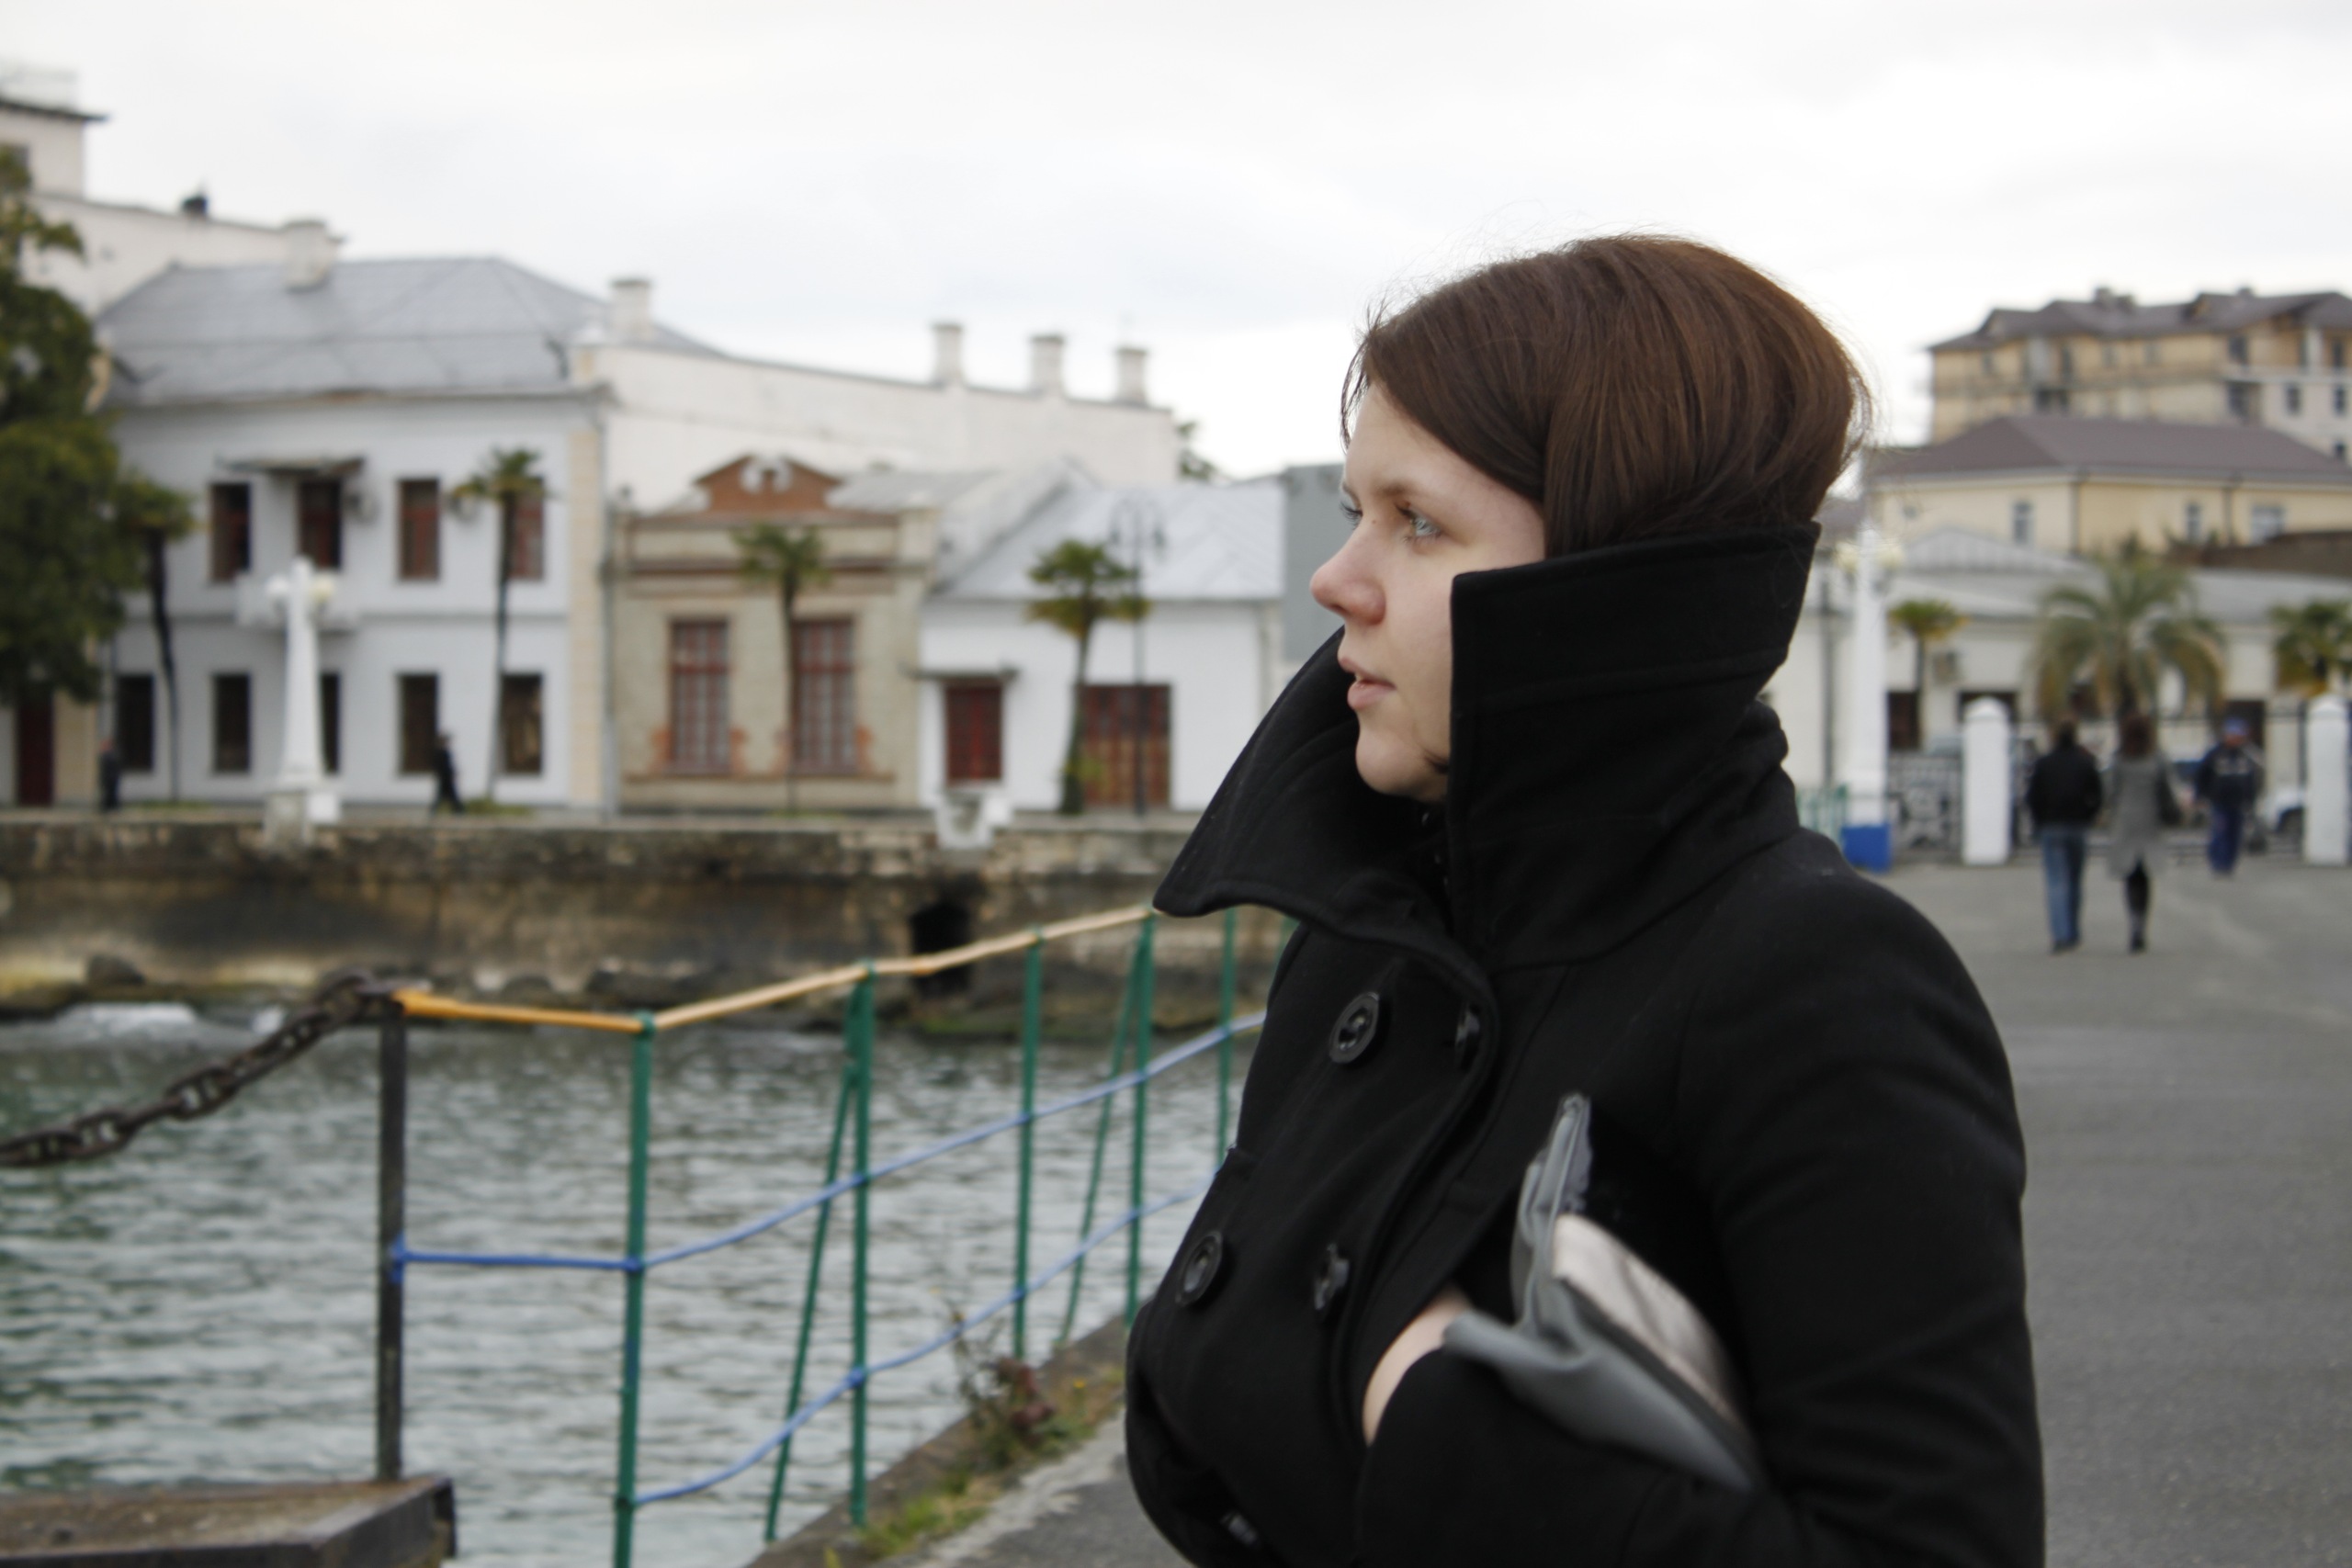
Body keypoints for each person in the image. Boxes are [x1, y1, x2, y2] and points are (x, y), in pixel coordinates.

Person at [1128, 238, 2041, 1568]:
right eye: (1354, 510)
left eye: (1418, 522)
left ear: (1614, 592)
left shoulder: (1816, 980)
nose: (1338, 580)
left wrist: (1429, 1411)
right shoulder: (1376, 933)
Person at [2026, 720, 2101, 951]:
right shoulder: (2085, 762)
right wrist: (2088, 816)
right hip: (2077, 826)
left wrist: (2039, 821)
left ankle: (2060, 934)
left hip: (2051, 827)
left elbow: (2033, 796)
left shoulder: (2044, 763)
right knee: (2075, 881)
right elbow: (2097, 794)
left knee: (2056, 881)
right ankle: (2073, 931)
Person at [2105, 712, 2175, 953]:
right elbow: (2166, 790)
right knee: (2145, 875)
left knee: (2130, 875)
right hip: (2149, 820)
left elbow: (2111, 792)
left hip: (2126, 822)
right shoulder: (2156, 759)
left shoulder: (2120, 759)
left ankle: (2133, 920)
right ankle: (2142, 923)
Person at [2193, 719, 2262, 875]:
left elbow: (2251, 780)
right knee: (2220, 832)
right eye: (2233, 735)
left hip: (2238, 802)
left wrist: (2250, 800)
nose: (2236, 739)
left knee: (2235, 834)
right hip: (2220, 802)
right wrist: (2200, 796)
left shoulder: (2244, 756)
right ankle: (2219, 863)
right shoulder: (2215, 755)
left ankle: (2229, 863)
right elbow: (2202, 776)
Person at [430, 733, 465, 816]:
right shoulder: (441, 753)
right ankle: (459, 811)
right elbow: (445, 766)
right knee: (450, 795)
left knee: (446, 795)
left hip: (445, 776)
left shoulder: (442, 752)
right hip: (445, 777)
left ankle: (458, 810)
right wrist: (450, 774)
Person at [96, 737, 122, 814]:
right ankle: (108, 808)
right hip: (109, 778)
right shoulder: (107, 756)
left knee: (110, 794)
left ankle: (111, 808)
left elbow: (114, 767)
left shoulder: (111, 756)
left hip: (110, 778)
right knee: (108, 794)